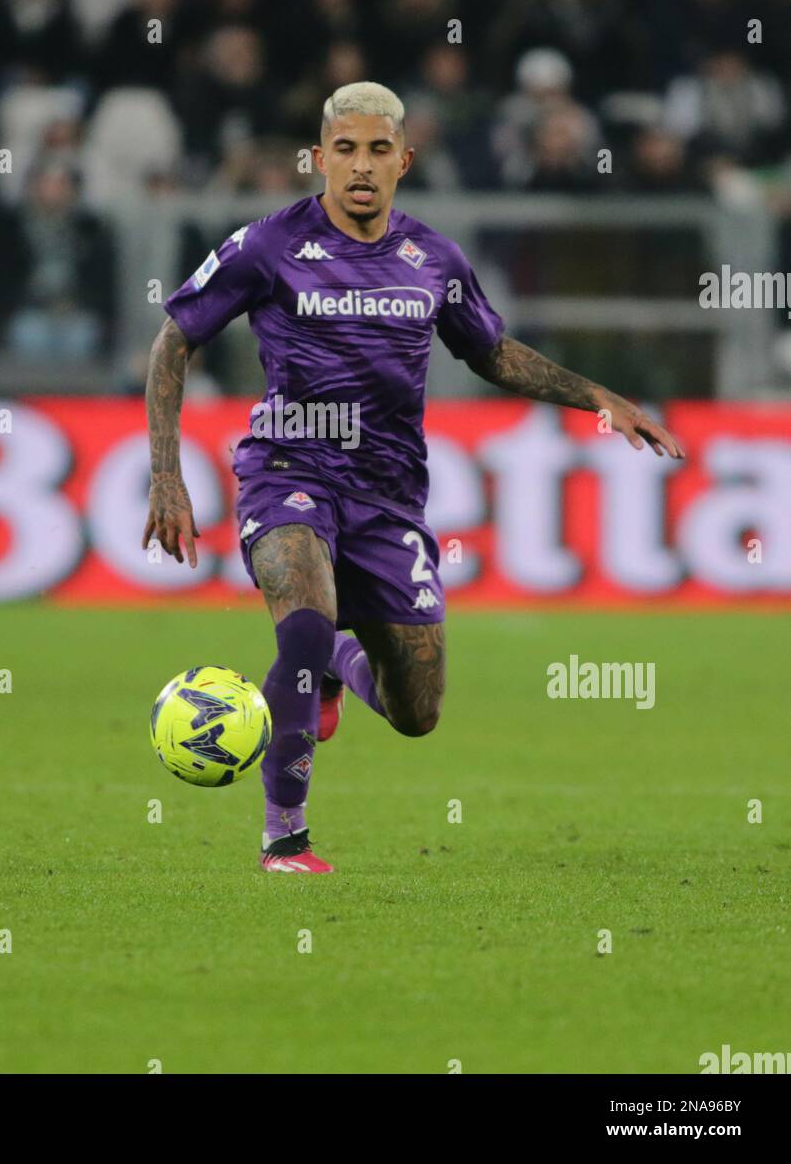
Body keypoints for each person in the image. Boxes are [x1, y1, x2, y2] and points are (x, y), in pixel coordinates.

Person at [143, 81, 684, 874]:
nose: (361, 167)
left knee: (417, 710)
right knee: (302, 619)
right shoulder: (267, 246)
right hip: (287, 468)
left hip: (389, 493)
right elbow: (172, 341)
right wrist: (167, 476)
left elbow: (492, 353)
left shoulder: (434, 259)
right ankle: (284, 836)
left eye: (379, 151)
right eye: (346, 150)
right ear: (319, 157)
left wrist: (596, 396)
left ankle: (336, 665)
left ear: (405, 160)